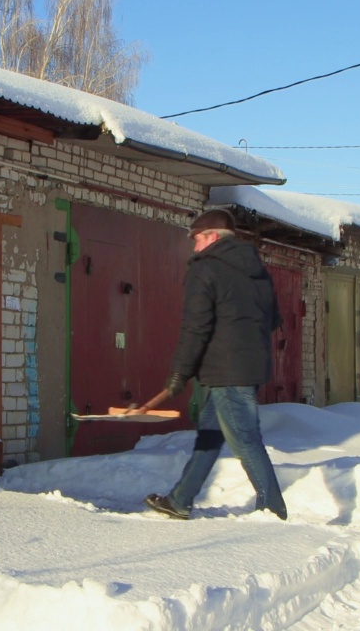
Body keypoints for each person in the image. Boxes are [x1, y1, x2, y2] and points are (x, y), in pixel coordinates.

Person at [130, 208, 288, 520]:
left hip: (227, 370)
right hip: (247, 366)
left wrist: (179, 373)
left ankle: (272, 508)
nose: (194, 246)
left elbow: (195, 327)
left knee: (245, 439)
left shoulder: (206, 269)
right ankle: (180, 500)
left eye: (197, 239)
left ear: (212, 237)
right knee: (210, 435)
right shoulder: (256, 270)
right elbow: (274, 320)